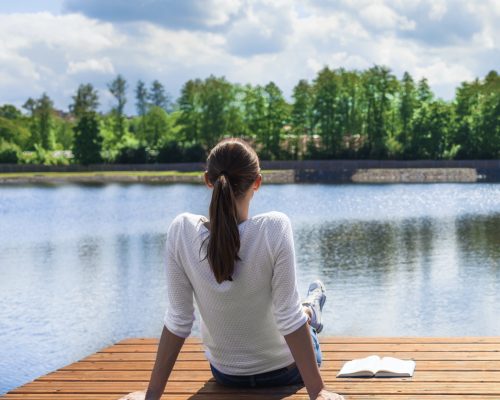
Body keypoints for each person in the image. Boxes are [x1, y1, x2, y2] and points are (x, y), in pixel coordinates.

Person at [122, 138, 345, 400]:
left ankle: (309, 309)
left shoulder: (181, 231)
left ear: (208, 180)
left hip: (226, 374)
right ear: (257, 182)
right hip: (285, 371)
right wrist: (317, 392)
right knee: (302, 319)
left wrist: (151, 395)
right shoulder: (274, 227)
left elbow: (179, 319)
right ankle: (311, 310)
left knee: (296, 314)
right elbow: (288, 317)